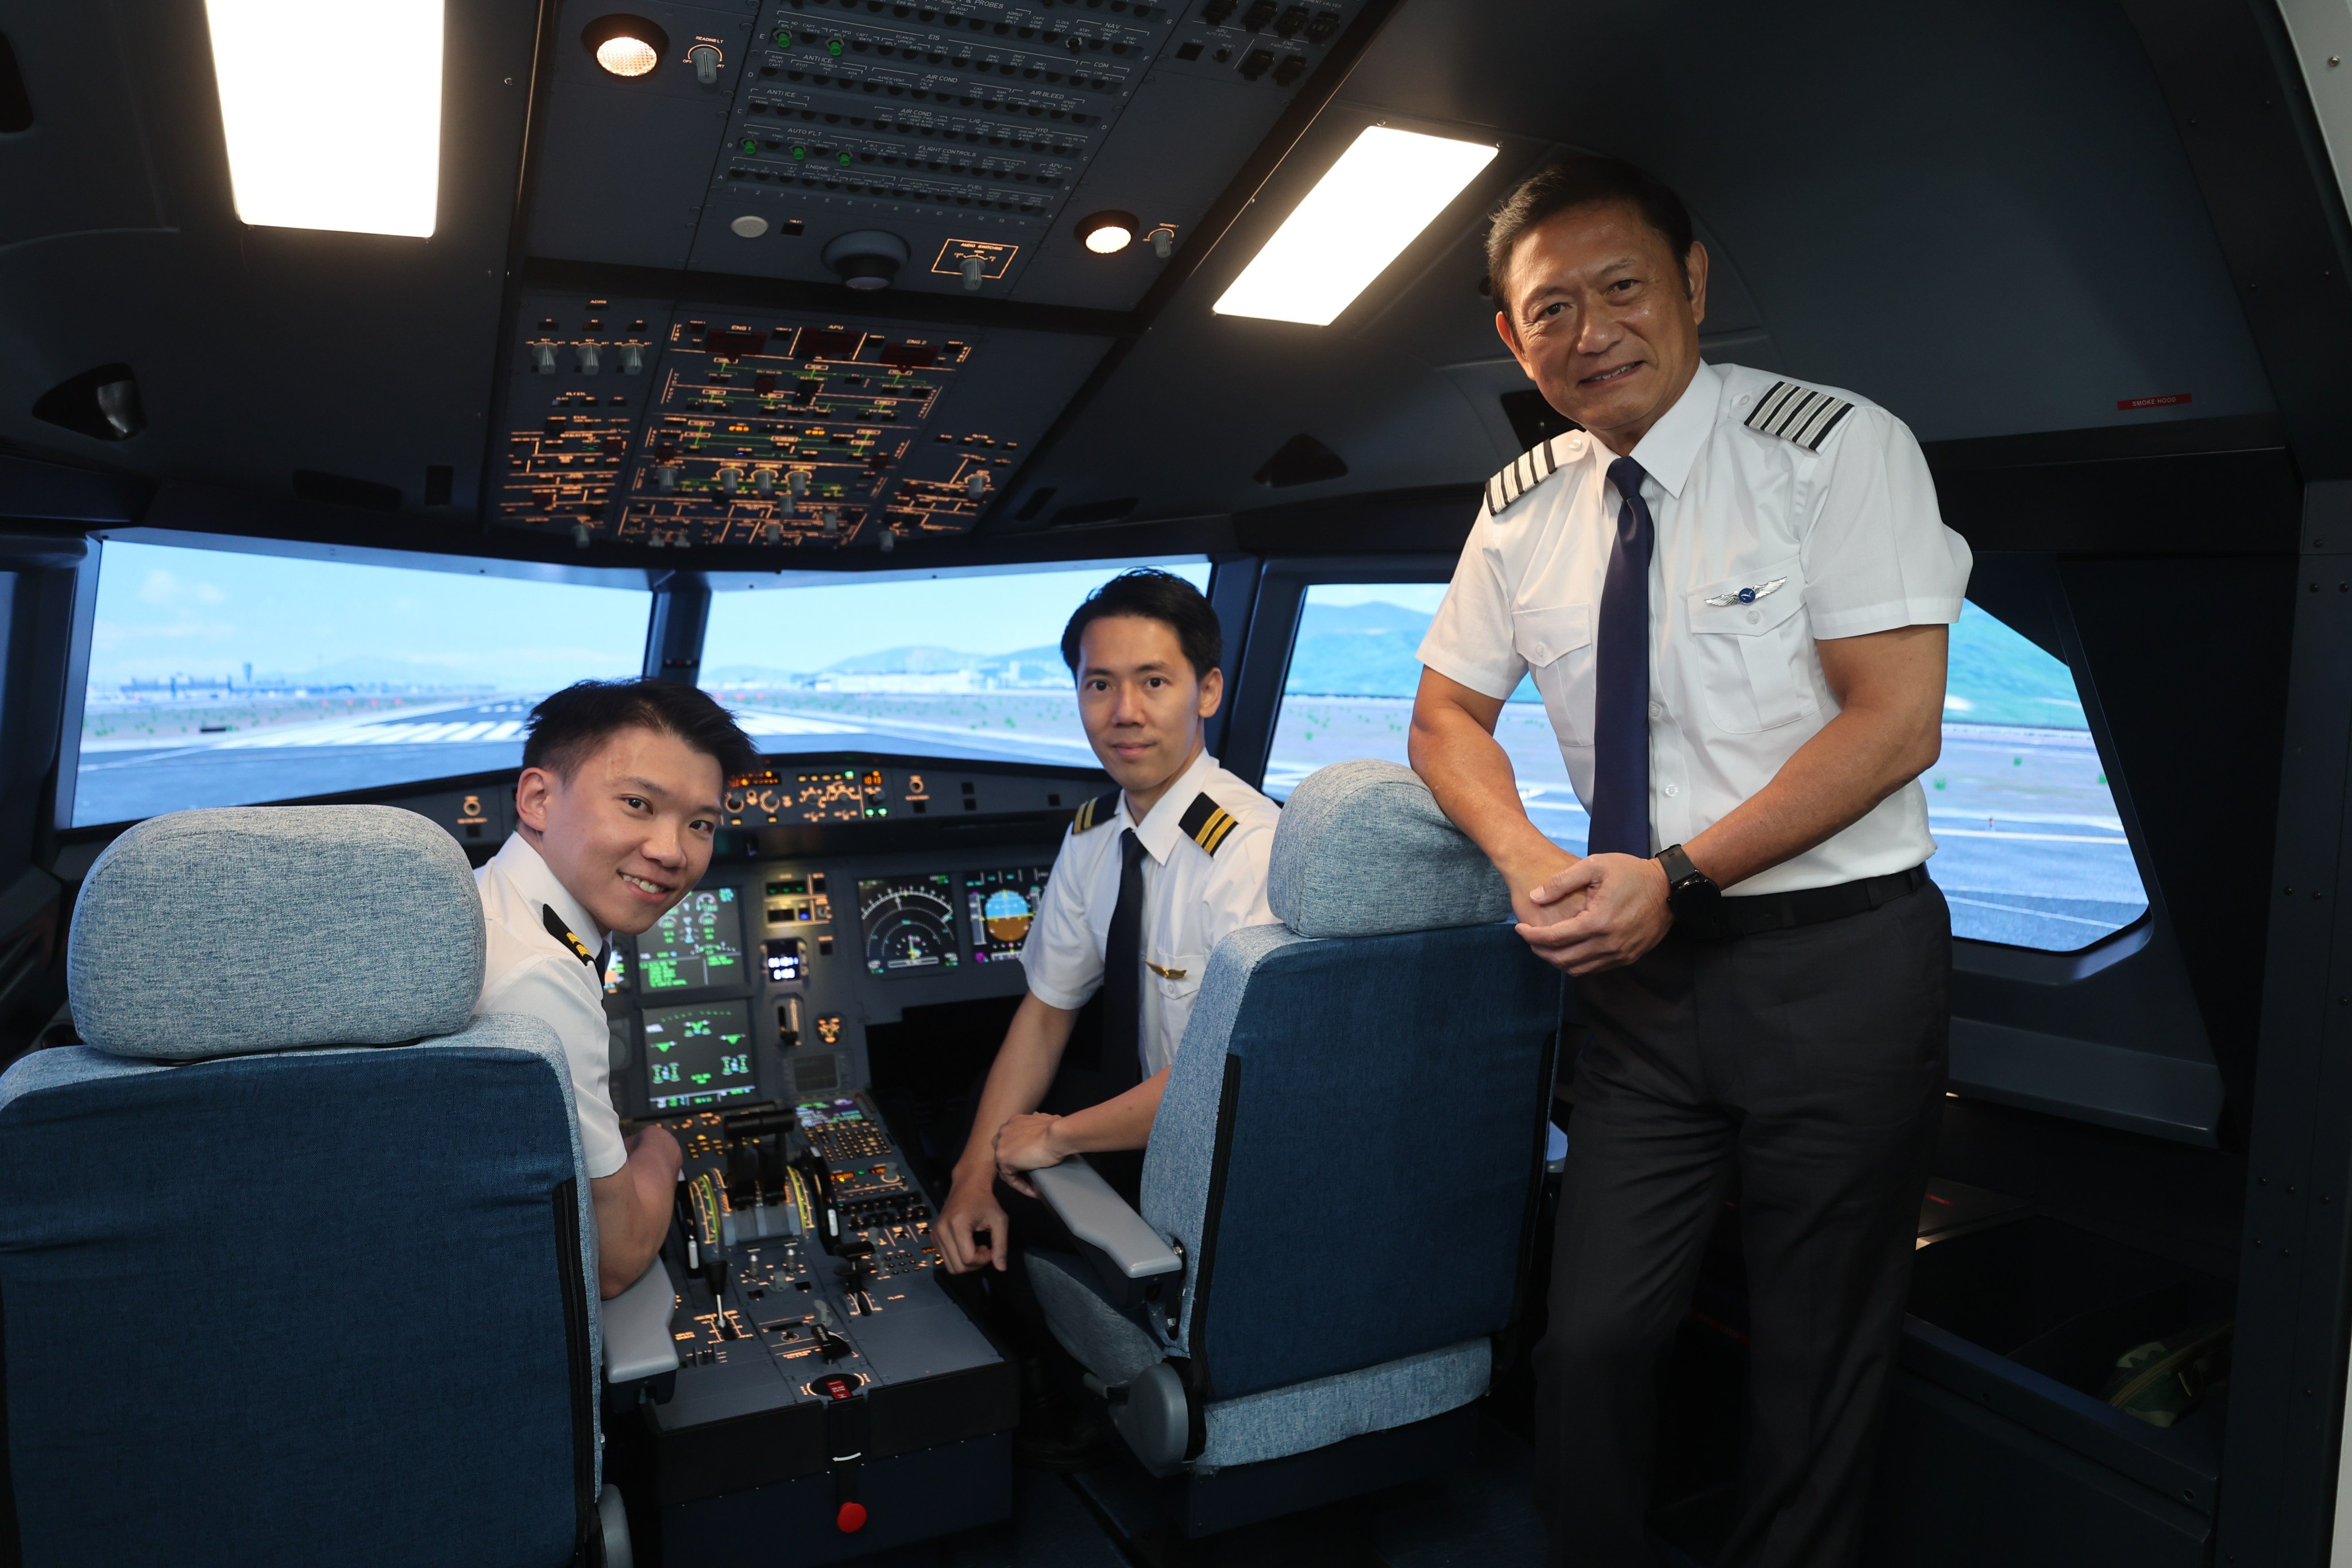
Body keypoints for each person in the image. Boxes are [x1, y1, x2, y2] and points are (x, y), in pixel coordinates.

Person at [1408, 156, 1971, 1568]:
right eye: (1551, 309)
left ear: (1694, 284)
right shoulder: (1520, 510)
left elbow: (1893, 722)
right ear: (1512, 339)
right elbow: (1444, 718)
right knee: (1591, 1340)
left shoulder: (1834, 451)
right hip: (1641, 994)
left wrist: (1678, 876)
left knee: (1814, 1360)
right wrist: (1529, 858)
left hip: (1836, 970)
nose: (1590, 331)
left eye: (1622, 289)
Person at [933, 568, 1279, 1276]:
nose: (1124, 712)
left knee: (1021, 1170)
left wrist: (1056, 1137)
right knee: (971, 1126)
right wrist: (971, 1177)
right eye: (1100, 685)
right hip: (1148, 1122)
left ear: (1207, 691)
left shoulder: (1248, 850)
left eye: (1154, 682)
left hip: (1233, 1156)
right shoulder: (1095, 835)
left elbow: (1228, 1082)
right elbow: (1047, 1013)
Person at [476, 677, 761, 1299]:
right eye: (638, 804)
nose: (672, 852)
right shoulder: (539, 976)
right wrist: (662, 1148)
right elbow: (615, 1258)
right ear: (537, 799)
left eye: (701, 824)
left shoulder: (489, 902)